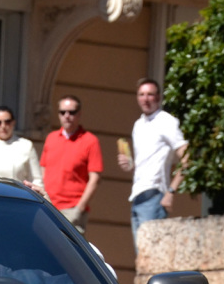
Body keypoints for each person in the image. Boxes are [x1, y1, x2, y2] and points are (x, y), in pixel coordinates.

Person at [117, 78, 189, 244]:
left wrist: (171, 192)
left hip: (155, 195)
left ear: (158, 97)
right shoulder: (138, 125)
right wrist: (129, 165)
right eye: (142, 94)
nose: (146, 98)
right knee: (142, 255)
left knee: (150, 251)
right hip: (137, 195)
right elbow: (145, 163)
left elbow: (187, 157)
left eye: (150, 94)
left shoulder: (166, 121)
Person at [40, 95, 102, 233]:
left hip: (72, 209)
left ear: (79, 114)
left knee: (69, 253)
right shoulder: (51, 138)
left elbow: (95, 179)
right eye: (62, 112)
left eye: (71, 112)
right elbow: (43, 170)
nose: (67, 116)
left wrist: (79, 208)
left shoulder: (90, 141)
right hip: (48, 206)